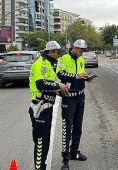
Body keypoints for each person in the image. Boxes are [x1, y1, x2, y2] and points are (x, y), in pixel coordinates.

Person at [29, 41, 69, 170]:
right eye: (57, 52)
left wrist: (60, 90)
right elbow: (41, 84)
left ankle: (42, 166)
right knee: (41, 142)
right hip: (40, 108)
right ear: (51, 52)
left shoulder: (50, 64)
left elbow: (49, 86)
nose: (59, 55)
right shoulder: (42, 64)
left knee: (45, 141)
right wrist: (58, 86)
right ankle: (39, 168)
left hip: (47, 107)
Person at [56, 39, 90, 170]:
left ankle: (74, 152)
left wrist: (86, 77)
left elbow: (82, 74)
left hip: (80, 96)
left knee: (78, 128)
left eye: (83, 51)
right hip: (68, 98)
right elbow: (60, 74)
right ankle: (65, 159)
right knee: (67, 129)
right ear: (74, 48)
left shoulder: (81, 59)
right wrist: (76, 76)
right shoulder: (63, 59)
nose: (82, 53)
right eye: (80, 51)